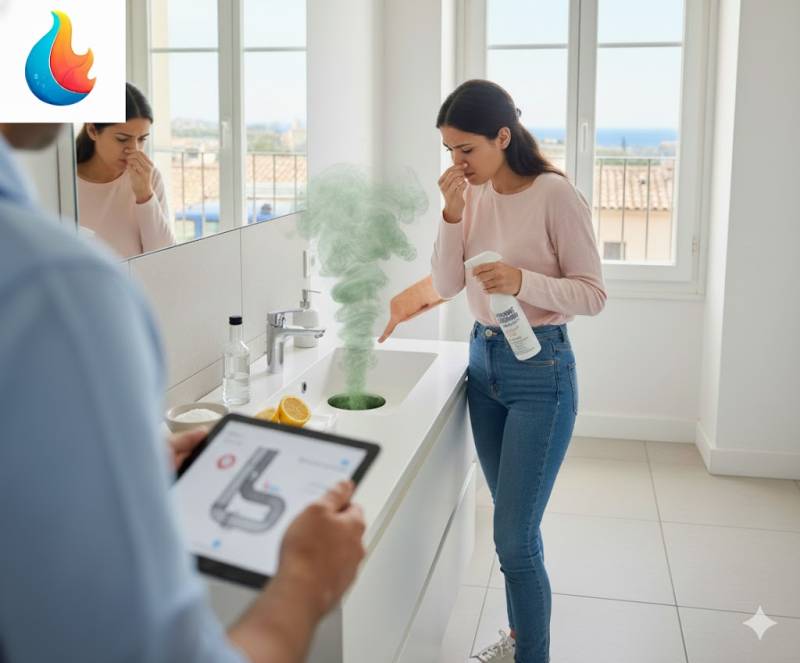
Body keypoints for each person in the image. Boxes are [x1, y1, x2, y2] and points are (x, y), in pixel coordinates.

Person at [0, 122, 366, 663]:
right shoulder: (53, 286)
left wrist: (132, 464)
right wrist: (307, 580)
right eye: (123, 137)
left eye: (143, 139)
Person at [431, 80, 607, 663]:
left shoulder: (555, 194)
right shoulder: (471, 197)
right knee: (515, 535)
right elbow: (446, 284)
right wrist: (451, 215)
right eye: (449, 151)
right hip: (483, 366)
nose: (457, 163)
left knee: (513, 537)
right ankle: (517, 641)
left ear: (503, 136)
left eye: (467, 149)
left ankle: (531, 654)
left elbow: (592, 294)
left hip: (540, 372)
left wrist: (521, 280)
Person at [76, 82, 175, 258]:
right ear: (92, 130)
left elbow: (165, 257)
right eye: (122, 139)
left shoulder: (150, 178)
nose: (134, 149)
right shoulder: (65, 181)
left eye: (142, 139)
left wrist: (145, 195)